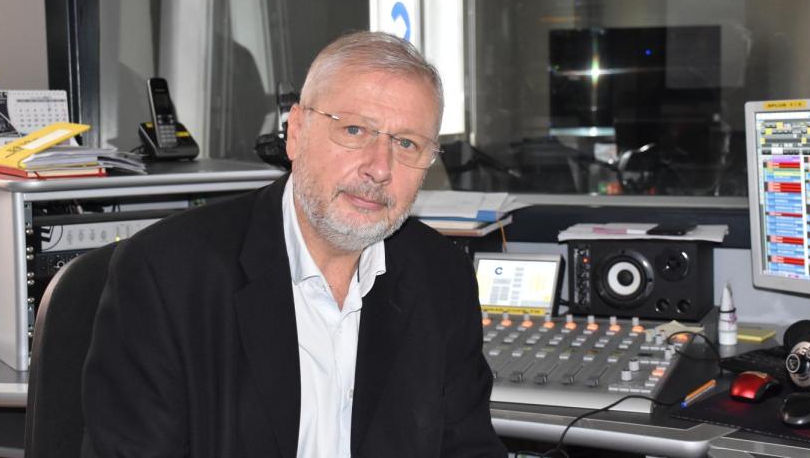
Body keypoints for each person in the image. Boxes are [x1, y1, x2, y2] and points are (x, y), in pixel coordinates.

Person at [81, 31, 506, 457]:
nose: (379, 168)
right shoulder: (167, 274)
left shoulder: (441, 276)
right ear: (297, 131)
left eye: (407, 143)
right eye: (356, 130)